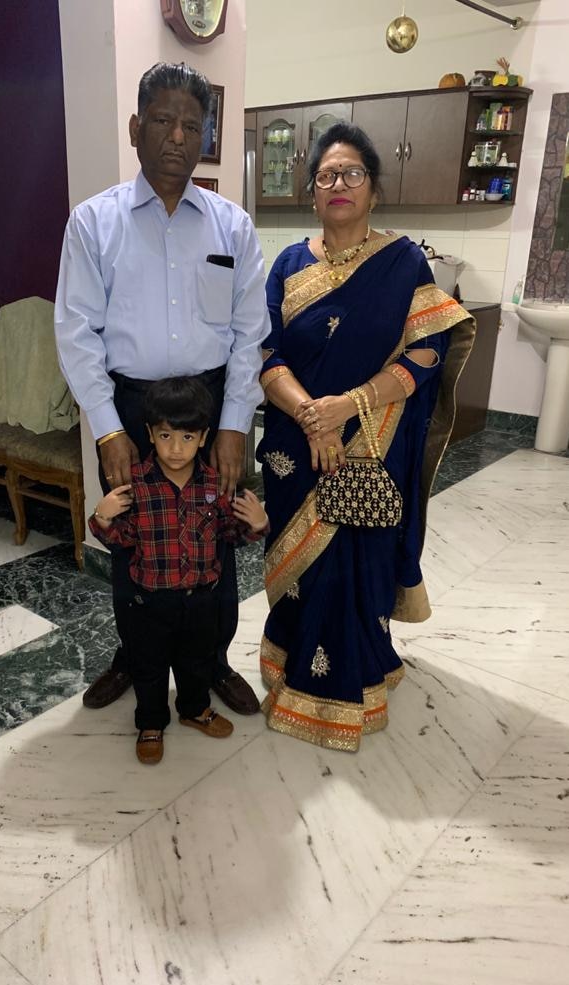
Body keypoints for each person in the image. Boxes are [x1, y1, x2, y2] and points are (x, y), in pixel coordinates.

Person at [55, 62, 269, 715]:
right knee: (133, 535)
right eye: (161, 120)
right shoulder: (93, 224)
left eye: (190, 124)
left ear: (206, 135)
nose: (176, 135)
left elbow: (249, 331)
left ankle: (211, 661)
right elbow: (75, 330)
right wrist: (106, 425)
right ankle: (136, 654)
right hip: (129, 407)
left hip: (212, 406)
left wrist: (234, 422)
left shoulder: (231, 226)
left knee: (218, 533)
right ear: (134, 127)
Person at [256, 122, 475, 752]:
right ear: (313, 192)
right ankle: (290, 672)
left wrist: (346, 407)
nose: (339, 184)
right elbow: (266, 354)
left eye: (352, 174)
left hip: (373, 441)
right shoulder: (290, 265)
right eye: (326, 175)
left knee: (357, 562)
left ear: (374, 191)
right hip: (295, 446)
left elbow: (429, 351)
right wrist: (310, 416)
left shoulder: (403, 261)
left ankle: (353, 681)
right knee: (300, 566)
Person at [89, 377, 269, 764]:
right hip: (149, 600)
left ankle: (194, 709)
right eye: (166, 436)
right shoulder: (136, 485)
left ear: (204, 437)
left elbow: (228, 535)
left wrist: (255, 523)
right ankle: (151, 722)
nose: (175, 448)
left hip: (200, 598)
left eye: (187, 438)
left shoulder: (214, 484)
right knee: (149, 667)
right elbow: (121, 538)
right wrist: (102, 518)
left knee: (197, 661)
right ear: (150, 434)